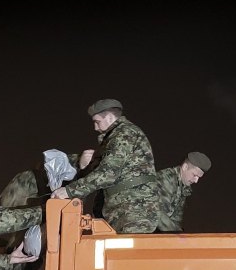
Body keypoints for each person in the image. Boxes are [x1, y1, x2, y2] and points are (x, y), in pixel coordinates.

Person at [51, 99, 159, 233]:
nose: (95, 128)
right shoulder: (115, 137)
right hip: (124, 209)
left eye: (97, 122)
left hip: (134, 210)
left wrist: (68, 191)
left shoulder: (124, 134)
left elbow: (107, 174)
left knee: (127, 252)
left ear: (109, 117)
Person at [156, 152, 212, 232]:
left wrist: (181, 236)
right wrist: (180, 237)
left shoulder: (184, 187)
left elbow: (175, 219)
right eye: (194, 175)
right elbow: (158, 216)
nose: (196, 181)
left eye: (199, 177)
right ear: (185, 167)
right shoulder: (166, 179)